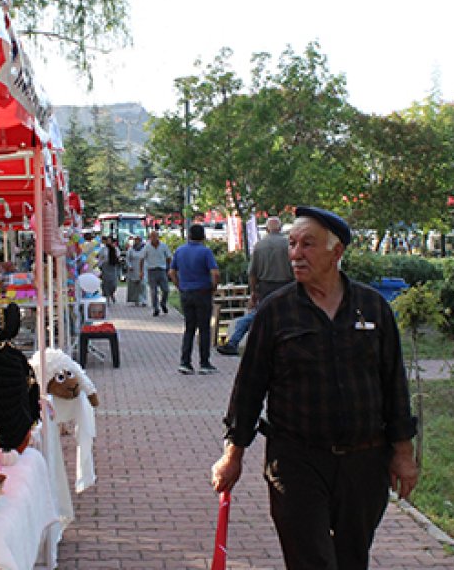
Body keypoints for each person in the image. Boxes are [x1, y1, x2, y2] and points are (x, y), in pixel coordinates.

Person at [210, 206, 419, 570]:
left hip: (364, 462)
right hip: (296, 461)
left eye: (307, 245)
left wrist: (403, 453)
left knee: (352, 560)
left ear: (336, 252)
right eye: (292, 244)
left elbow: (393, 384)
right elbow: (249, 388)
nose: (295, 254)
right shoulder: (276, 312)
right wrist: (234, 453)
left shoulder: (372, 308)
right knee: (311, 561)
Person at [219, 217, 294, 356]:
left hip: (265, 286)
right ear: (280, 228)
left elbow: (252, 273)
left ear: (267, 229)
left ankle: (233, 342)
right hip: (287, 285)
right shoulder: (289, 245)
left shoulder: (260, 246)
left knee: (258, 315)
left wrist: (253, 292)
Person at [169, 224, 220, 374]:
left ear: (189, 235)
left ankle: (185, 362)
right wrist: (213, 287)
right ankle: (204, 363)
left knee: (189, 328)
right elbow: (215, 273)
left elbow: (172, 272)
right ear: (203, 236)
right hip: (203, 292)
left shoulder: (180, 251)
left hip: (186, 292)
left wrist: (180, 285)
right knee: (204, 328)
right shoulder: (205, 252)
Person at [142, 230, 173, 317]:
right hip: (151, 270)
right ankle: (156, 308)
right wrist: (141, 271)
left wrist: (170, 268)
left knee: (166, 290)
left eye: (155, 236)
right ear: (150, 238)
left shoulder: (163, 246)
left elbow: (169, 257)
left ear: (158, 237)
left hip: (162, 270)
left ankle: (163, 303)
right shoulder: (147, 247)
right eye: (152, 237)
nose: (154, 238)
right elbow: (142, 258)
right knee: (153, 291)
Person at [124, 236, 147, 306]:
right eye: (135, 240)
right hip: (133, 269)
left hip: (142, 269)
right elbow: (127, 259)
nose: (137, 242)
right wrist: (129, 266)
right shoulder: (131, 250)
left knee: (142, 285)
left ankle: (143, 300)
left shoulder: (144, 249)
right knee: (134, 285)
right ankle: (136, 299)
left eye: (138, 240)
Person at [98, 236, 121, 303]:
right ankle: (106, 295)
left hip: (113, 266)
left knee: (113, 283)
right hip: (105, 266)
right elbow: (100, 258)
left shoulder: (115, 249)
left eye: (109, 240)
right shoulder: (103, 249)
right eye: (107, 240)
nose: (108, 242)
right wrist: (100, 266)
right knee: (106, 282)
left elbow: (118, 256)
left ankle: (111, 293)